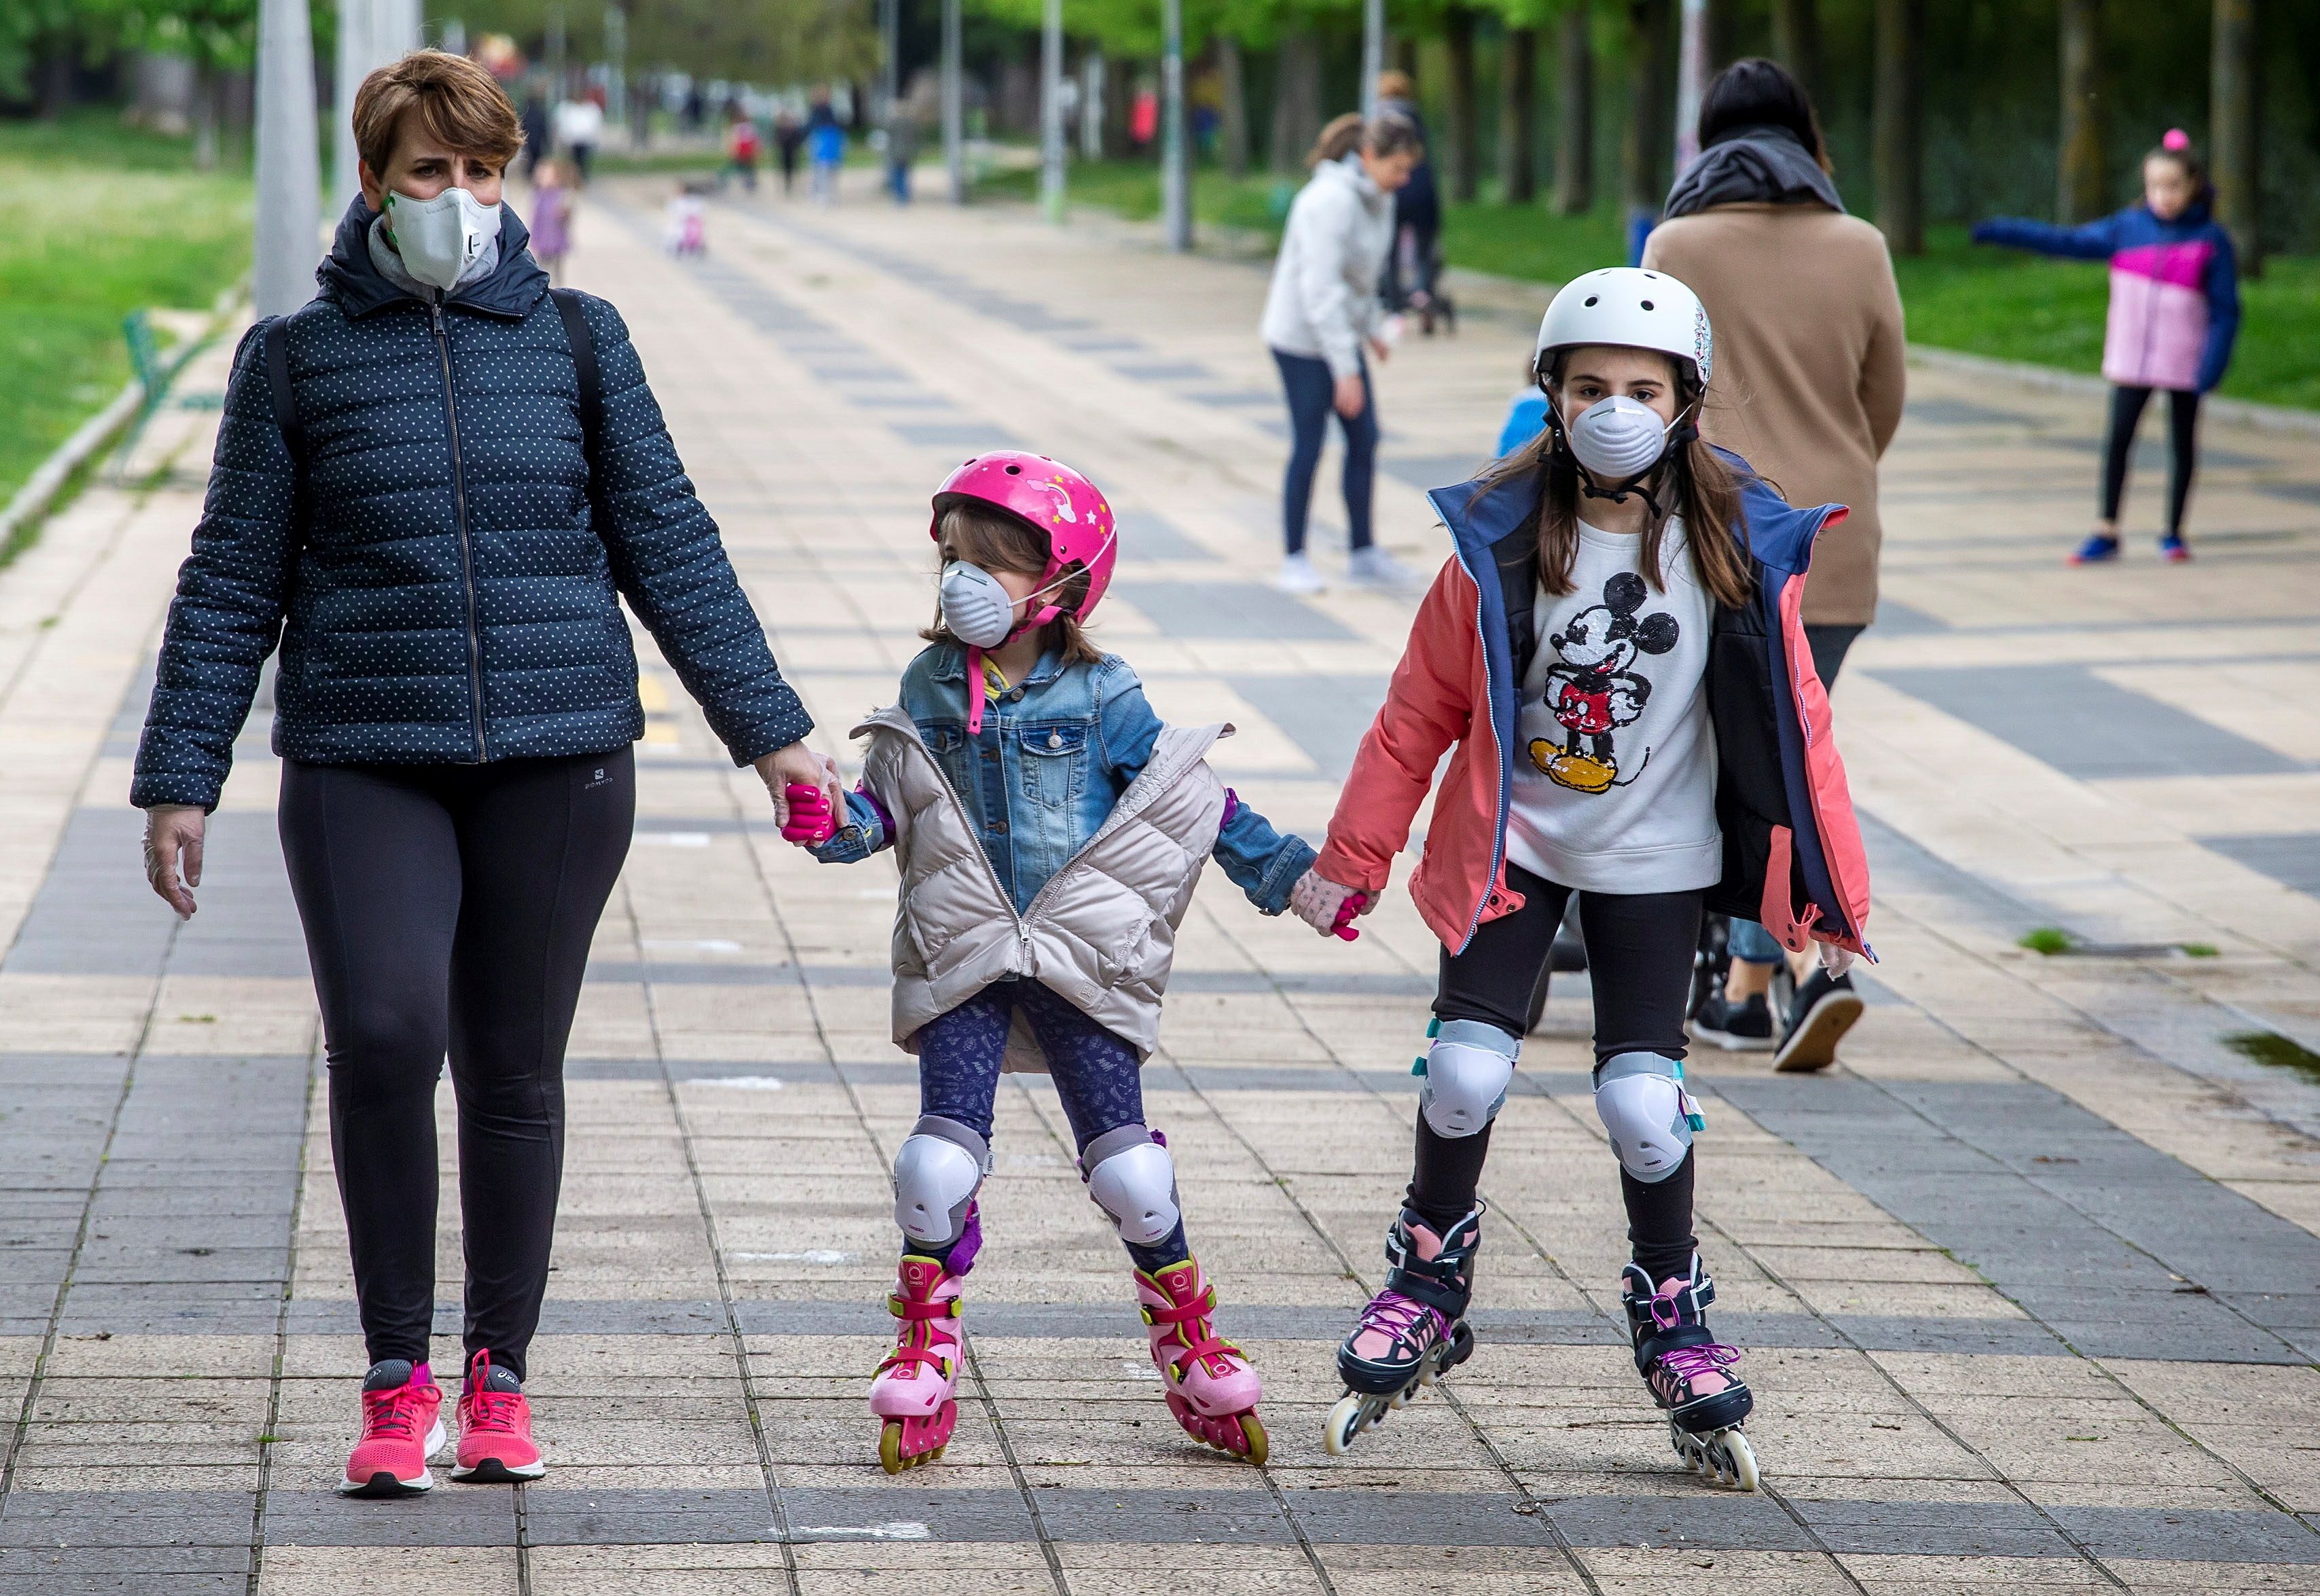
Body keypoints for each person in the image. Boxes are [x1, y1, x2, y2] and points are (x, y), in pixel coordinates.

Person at [131, 50, 835, 1500]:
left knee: (513, 1067)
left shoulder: (579, 339)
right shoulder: (296, 358)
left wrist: (770, 730)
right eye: (431, 173)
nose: (463, 199)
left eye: (485, 171)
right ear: (376, 180)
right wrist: (179, 772)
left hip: (561, 752)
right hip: (361, 753)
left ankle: (497, 1378)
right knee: (386, 1036)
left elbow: (671, 542)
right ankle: (395, 1380)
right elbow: (228, 580)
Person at [1292, 269, 1872, 1485]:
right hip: (1516, 846)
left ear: (1684, 403)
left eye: (1641, 389)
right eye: (1591, 385)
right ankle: (1427, 1281)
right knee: (1463, 1068)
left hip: (1661, 864)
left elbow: (1798, 729)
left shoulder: (1733, 543)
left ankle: (1672, 1307)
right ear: (1550, 395)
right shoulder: (1499, 539)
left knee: (1642, 1105)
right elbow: (1417, 715)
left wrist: (1823, 902)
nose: (1615, 407)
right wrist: (1353, 859)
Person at [797, 452, 1336, 1473]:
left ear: (1057, 582)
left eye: (987, 564)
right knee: (934, 1162)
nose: (960, 581)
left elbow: (1190, 796)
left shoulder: (1102, 691)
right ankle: (924, 1339)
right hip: (963, 950)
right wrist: (829, 816)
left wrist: (1294, 879)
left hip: (1078, 957)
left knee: (1131, 1172)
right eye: (951, 557)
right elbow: (886, 809)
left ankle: (1187, 1335)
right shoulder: (927, 684)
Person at [1640, 57, 1903, 1070]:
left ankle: (1753, 982)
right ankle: (1777, 974)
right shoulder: (1862, 246)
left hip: (1710, 532)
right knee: (1791, 750)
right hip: (1834, 541)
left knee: (1731, 762)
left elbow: (1643, 380)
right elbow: (1882, 397)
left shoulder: (1675, 242)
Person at [1974, 128, 2241, 567]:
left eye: (2173, 185)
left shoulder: (2211, 240)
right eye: (2155, 185)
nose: (2163, 195)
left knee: (2182, 445)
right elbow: (2065, 241)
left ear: (2192, 185)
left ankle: (2173, 533)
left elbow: (2226, 310)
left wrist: (2210, 367)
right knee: (2117, 441)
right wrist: (2003, 231)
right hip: (2131, 359)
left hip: (2183, 363)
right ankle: (2106, 530)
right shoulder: (2126, 228)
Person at [1259, 111, 1423, 596]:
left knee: (1364, 437)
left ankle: (1362, 552)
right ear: (1369, 157)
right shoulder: (1327, 201)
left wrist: (1372, 328)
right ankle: (1293, 558)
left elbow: (1360, 280)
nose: (1404, 178)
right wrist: (1345, 370)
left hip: (1336, 337)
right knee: (1309, 443)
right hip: (1299, 338)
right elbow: (1321, 292)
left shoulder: (1380, 200)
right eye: (1397, 166)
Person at [1374, 70, 1449, 335]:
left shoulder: (1379, 119)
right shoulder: (1416, 118)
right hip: (1423, 187)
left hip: (1395, 190)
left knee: (1390, 250)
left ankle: (1395, 308)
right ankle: (1423, 295)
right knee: (1424, 248)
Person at [528, 156, 573, 283]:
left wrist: (563, 213)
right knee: (542, 262)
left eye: (547, 176)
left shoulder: (561, 194)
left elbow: (567, 213)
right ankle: (541, 281)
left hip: (555, 236)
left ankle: (558, 283)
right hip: (543, 235)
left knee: (557, 263)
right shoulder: (538, 194)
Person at [554, 88, 603, 185]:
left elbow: (595, 125)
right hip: (572, 141)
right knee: (573, 161)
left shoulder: (591, 109)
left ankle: (581, 178)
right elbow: (561, 124)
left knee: (583, 161)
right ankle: (573, 179)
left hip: (585, 140)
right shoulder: (567, 108)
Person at [805, 91, 845, 204]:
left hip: (826, 147)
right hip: (825, 148)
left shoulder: (821, 115)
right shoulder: (821, 114)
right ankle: (823, 196)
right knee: (823, 173)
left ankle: (823, 196)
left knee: (823, 173)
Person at [725, 106, 761, 192]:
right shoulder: (738, 128)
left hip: (748, 151)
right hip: (741, 151)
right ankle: (747, 183)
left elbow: (755, 139)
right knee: (741, 168)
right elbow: (734, 140)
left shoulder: (749, 127)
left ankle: (750, 183)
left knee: (749, 168)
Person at [773, 102, 803, 196]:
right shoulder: (780, 129)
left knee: (792, 170)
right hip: (784, 152)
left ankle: (793, 187)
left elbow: (797, 140)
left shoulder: (793, 129)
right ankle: (786, 188)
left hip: (792, 152)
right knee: (784, 170)